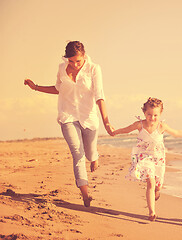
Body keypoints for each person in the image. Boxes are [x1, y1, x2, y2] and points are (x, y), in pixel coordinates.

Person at [24, 41, 115, 207]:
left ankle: (94, 157)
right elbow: (58, 88)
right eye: (71, 61)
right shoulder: (61, 68)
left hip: (89, 118)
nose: (74, 64)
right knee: (77, 153)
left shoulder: (94, 69)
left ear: (84, 56)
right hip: (68, 116)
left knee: (89, 153)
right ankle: (85, 194)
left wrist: (106, 122)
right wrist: (35, 87)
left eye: (78, 61)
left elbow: (99, 95)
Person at [113, 97, 182, 221]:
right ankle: (152, 212)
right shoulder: (139, 125)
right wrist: (114, 132)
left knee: (157, 185)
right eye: (149, 114)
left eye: (155, 115)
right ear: (144, 113)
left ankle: (157, 191)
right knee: (150, 182)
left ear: (160, 114)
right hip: (144, 157)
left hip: (159, 159)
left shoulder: (162, 126)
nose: (152, 118)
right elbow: (126, 130)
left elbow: (177, 133)